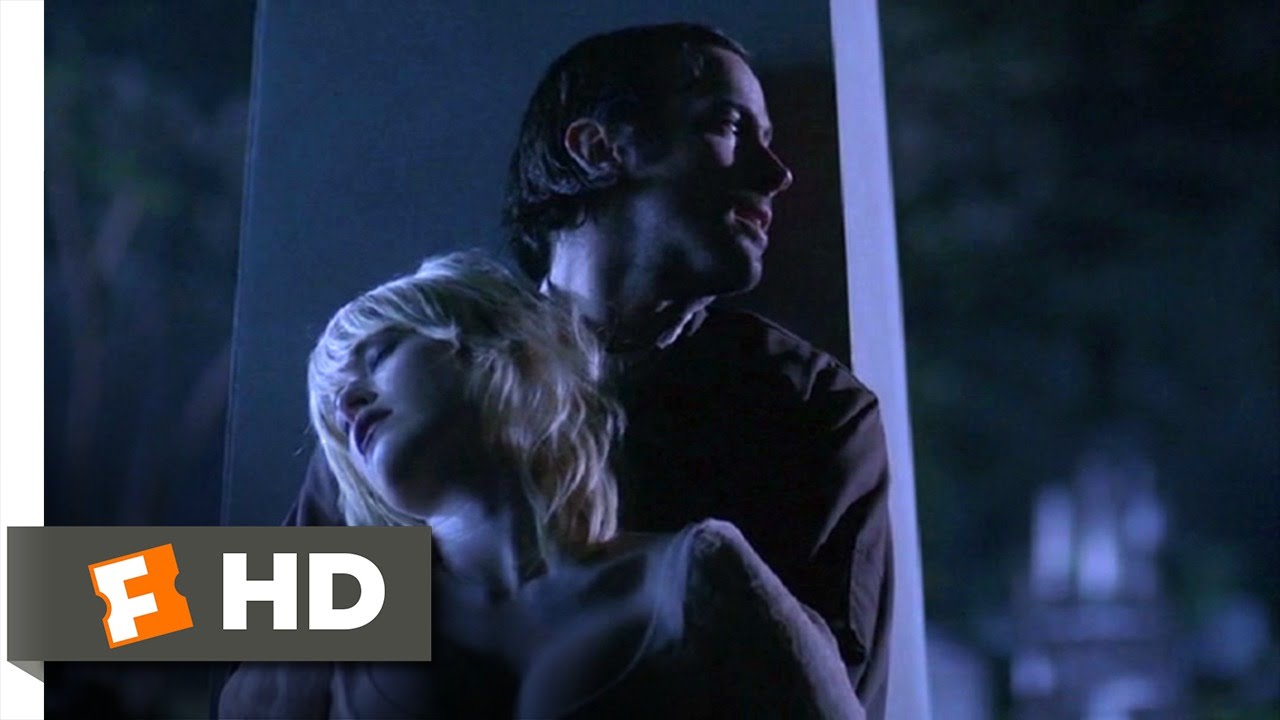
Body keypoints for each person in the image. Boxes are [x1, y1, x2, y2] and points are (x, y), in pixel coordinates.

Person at [284, 23, 893, 718]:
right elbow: (263, 674)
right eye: (728, 126)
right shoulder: (405, 406)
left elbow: (834, 698)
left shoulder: (812, 413)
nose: (778, 174)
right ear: (598, 148)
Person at [219, 253, 861, 719]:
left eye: (379, 354)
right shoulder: (330, 593)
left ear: (493, 346)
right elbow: (149, 600)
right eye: (334, 410)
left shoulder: (697, 572)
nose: (349, 401)